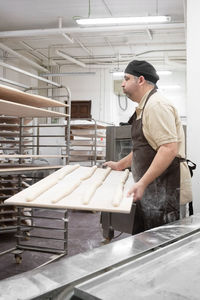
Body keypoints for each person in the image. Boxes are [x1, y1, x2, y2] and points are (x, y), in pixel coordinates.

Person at [104, 60, 192, 234]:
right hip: (153, 190)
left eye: (126, 78)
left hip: (163, 191)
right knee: (145, 241)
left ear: (141, 80)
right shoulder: (145, 106)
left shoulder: (156, 105)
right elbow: (144, 148)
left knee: (159, 246)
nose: (122, 83)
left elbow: (168, 149)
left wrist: (142, 183)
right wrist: (120, 165)